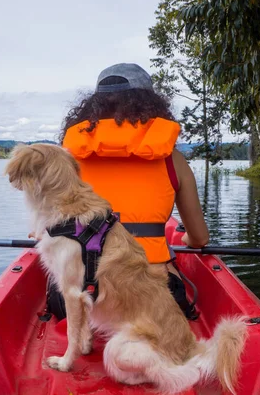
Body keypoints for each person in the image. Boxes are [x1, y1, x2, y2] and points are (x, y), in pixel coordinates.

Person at [41, 62, 209, 320]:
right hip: (150, 299)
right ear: (152, 103)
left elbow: (48, 230)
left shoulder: (67, 161)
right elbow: (199, 238)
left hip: (79, 300)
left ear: (92, 106)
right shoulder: (172, 160)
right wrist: (183, 243)